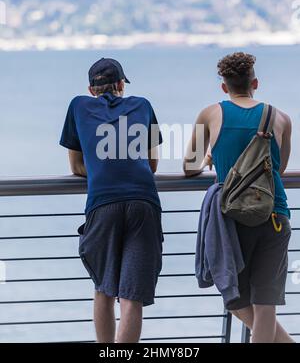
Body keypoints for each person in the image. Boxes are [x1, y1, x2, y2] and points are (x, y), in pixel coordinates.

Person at [184, 52, 294, 343]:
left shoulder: (210, 114)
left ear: (224, 87)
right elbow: (278, 170)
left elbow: (188, 165)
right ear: (255, 82)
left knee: (235, 299)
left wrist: (211, 156)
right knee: (266, 302)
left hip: (233, 219)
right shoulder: (281, 118)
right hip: (274, 217)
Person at [59, 58, 163, 343]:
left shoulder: (78, 106)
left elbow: (76, 166)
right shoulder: (143, 105)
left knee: (104, 289)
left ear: (91, 89)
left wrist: (100, 167)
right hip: (143, 202)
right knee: (132, 295)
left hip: (103, 203)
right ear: (120, 85)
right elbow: (152, 163)